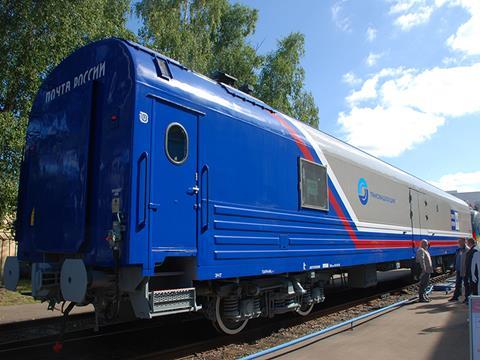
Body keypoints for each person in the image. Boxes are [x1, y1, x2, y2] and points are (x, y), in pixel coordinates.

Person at [465, 238, 478, 304]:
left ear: (470, 243)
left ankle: (475, 302)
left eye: (467, 242)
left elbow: (472, 263)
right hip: (473, 272)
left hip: (474, 272)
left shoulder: (474, 250)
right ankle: (474, 301)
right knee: (473, 287)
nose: (466, 244)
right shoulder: (472, 250)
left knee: (474, 287)